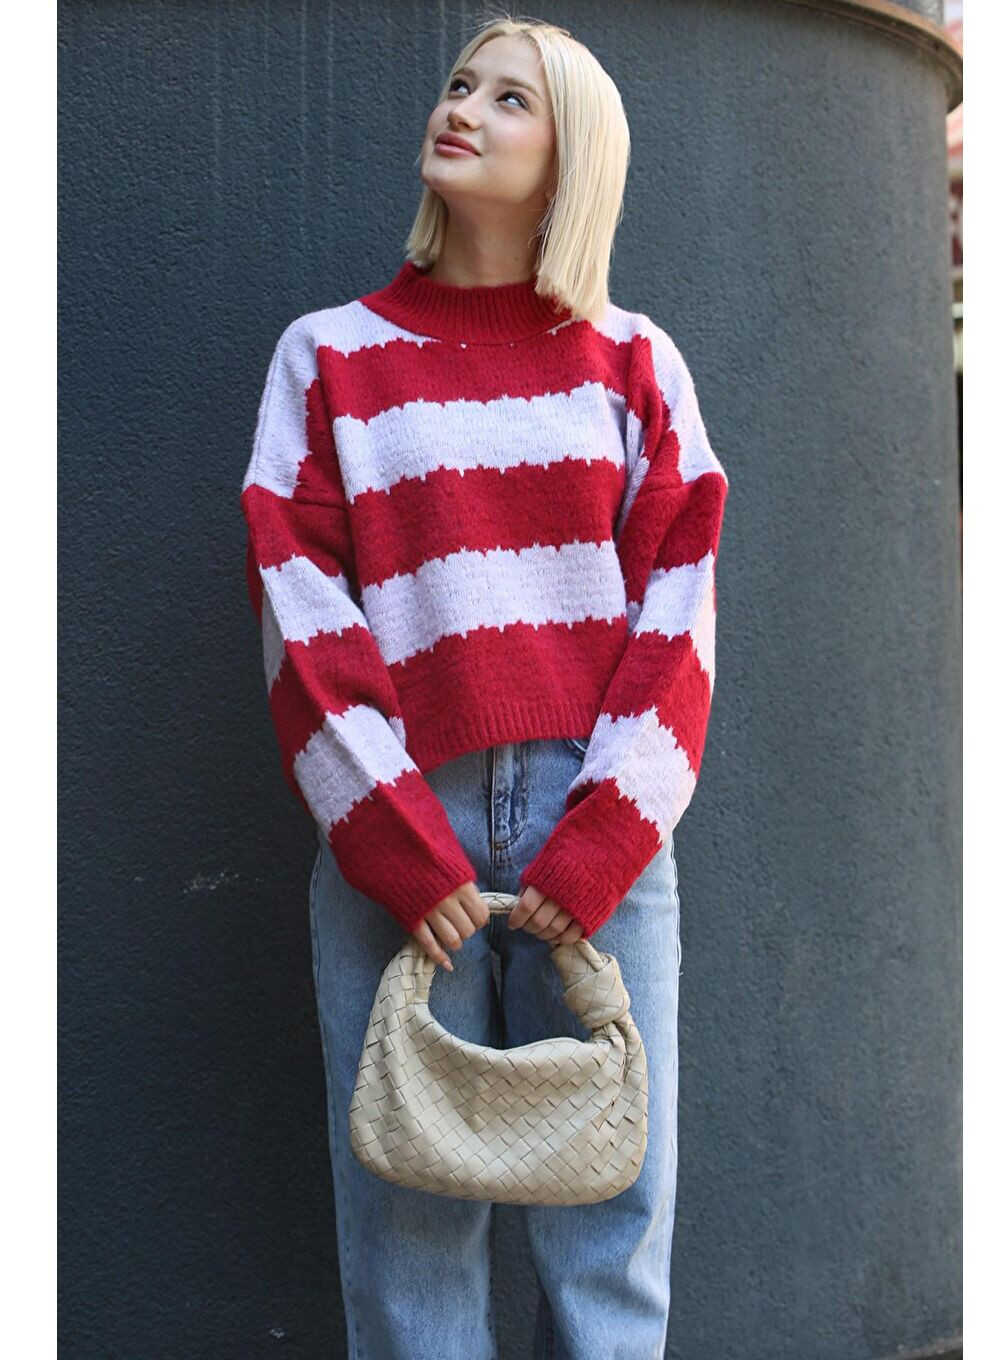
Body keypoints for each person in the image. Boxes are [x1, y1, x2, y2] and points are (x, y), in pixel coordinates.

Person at [239, 11, 729, 1358]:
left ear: (576, 156)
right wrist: (394, 839)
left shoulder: (636, 362)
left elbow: (680, 608)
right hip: (398, 824)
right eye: (462, 84)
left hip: (601, 822)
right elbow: (295, 599)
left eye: (512, 99)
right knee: (405, 1233)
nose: (462, 108)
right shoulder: (328, 356)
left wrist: (605, 840)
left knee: (614, 1231)